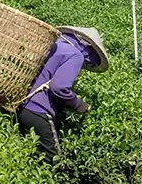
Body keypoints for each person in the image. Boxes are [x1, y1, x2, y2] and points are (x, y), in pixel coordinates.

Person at [18, 26, 110, 166]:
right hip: (38, 110)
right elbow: (59, 87)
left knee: (30, 154)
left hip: (21, 103)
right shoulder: (76, 55)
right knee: (52, 162)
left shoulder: (56, 45)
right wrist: (78, 104)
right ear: (91, 49)